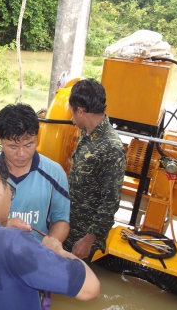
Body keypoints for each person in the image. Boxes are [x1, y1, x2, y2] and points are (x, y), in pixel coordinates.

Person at [0, 153, 100, 310]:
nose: (10, 197)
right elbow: (90, 287)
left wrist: (2, 228)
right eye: (11, 189)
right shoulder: (14, 243)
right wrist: (56, 250)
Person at [63, 78, 126, 261]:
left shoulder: (111, 148)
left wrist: (88, 240)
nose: (71, 117)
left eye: (72, 111)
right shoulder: (87, 132)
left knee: (76, 286)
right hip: (69, 224)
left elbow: (110, 202)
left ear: (81, 111)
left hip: (82, 236)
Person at [0, 103, 70, 243]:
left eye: (29, 145)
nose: (22, 154)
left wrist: (44, 252)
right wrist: (4, 224)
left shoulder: (55, 173)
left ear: (38, 135)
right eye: (13, 147)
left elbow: (61, 221)